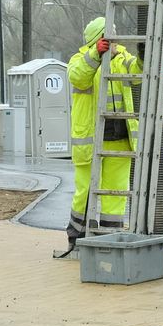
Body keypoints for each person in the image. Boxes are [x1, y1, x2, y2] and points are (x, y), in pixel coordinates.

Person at [63, 17, 143, 253]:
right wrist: (96, 56)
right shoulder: (81, 59)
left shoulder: (121, 58)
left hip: (119, 140)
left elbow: (136, 71)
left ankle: (111, 236)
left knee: (115, 193)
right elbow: (78, 75)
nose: (113, 39)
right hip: (90, 141)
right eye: (108, 35)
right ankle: (77, 236)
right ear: (97, 38)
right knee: (85, 192)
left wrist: (142, 56)